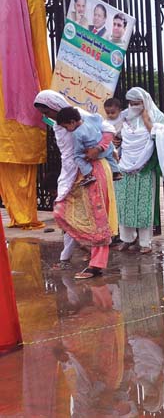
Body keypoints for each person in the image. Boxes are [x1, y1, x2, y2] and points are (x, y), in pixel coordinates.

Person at [0, 0, 53, 230]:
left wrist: (47, 96)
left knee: (17, 161)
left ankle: (23, 217)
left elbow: (39, 49)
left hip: (16, 93)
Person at [33, 90, 118, 279]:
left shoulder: (82, 116)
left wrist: (98, 148)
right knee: (64, 211)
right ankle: (89, 247)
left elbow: (109, 131)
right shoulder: (58, 126)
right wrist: (65, 180)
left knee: (97, 216)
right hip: (75, 174)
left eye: (48, 112)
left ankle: (96, 264)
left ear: (55, 106)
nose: (48, 117)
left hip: (94, 169)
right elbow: (67, 156)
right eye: (45, 115)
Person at [115, 87, 164, 255]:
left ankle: (145, 242)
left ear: (145, 102)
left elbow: (162, 138)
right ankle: (127, 239)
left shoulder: (157, 116)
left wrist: (147, 121)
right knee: (124, 204)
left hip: (145, 167)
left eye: (138, 104)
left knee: (144, 205)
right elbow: (115, 133)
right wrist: (117, 140)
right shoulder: (125, 115)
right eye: (131, 104)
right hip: (124, 166)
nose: (134, 107)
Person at [56, 106, 119, 186]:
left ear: (72, 122)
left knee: (77, 156)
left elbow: (79, 148)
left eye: (65, 127)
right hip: (105, 150)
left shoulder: (77, 133)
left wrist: (84, 152)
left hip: (93, 155)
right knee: (109, 150)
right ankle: (116, 171)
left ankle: (88, 174)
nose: (66, 130)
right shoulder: (91, 119)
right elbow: (104, 126)